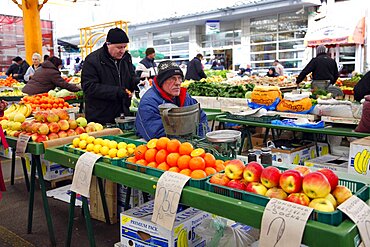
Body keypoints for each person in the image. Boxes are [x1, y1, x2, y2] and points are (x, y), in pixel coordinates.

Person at [135, 61, 209, 141]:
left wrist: (202, 140)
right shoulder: (148, 102)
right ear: (161, 82)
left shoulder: (185, 96)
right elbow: (156, 135)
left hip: (188, 146)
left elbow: (201, 117)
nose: (177, 83)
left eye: (179, 78)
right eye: (172, 79)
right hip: (162, 149)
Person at [81, 27, 138, 124]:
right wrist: (117, 91)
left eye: (124, 47)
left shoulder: (126, 58)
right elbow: (89, 87)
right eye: (119, 47)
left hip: (123, 114)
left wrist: (135, 82)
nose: (122, 51)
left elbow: (131, 75)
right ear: (108, 44)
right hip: (101, 116)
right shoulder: (92, 60)